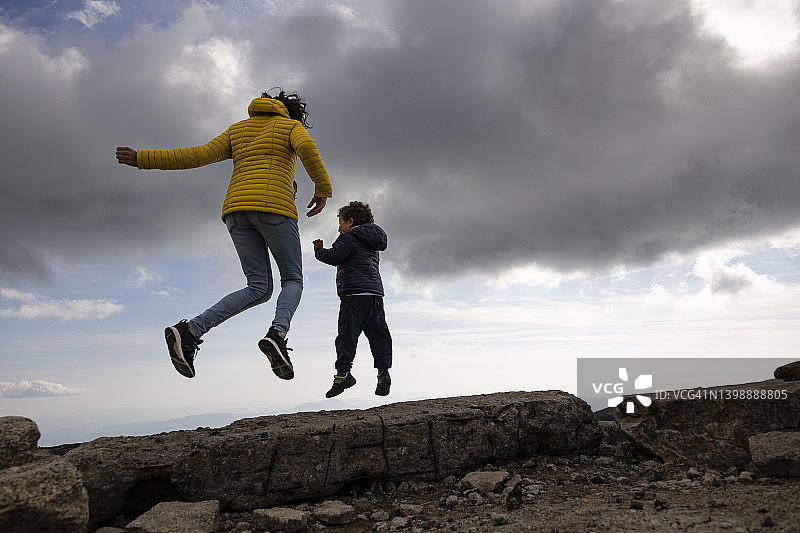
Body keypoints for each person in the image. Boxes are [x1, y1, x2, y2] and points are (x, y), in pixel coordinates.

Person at [116, 89, 332, 381]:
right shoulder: (290, 127)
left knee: (258, 287)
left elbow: (197, 155)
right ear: (291, 113)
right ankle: (277, 335)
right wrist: (323, 189)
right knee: (292, 279)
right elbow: (307, 148)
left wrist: (143, 157)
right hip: (274, 211)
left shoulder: (238, 130)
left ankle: (190, 331)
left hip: (236, 212)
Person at [313, 201, 392, 397]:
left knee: (347, 336)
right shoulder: (373, 242)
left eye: (340, 222)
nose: (339, 227)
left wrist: (319, 250)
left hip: (353, 296)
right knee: (379, 335)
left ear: (350, 221)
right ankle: (383, 373)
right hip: (374, 296)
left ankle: (343, 375)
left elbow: (334, 257)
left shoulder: (347, 238)